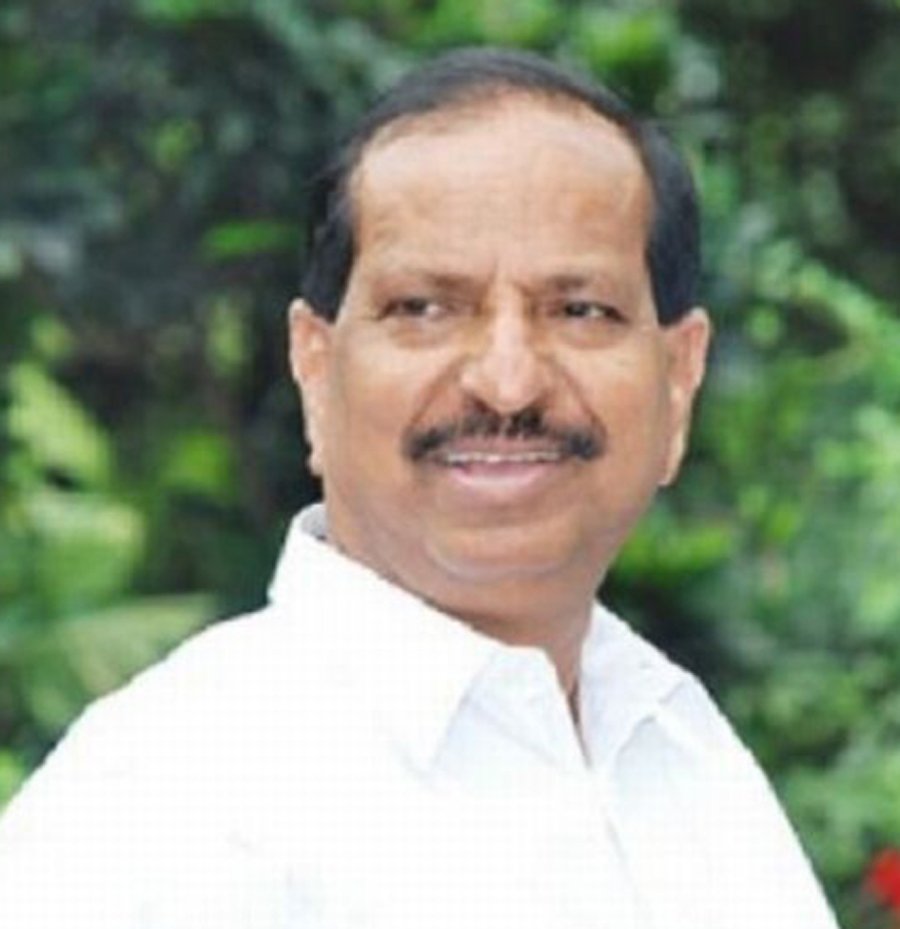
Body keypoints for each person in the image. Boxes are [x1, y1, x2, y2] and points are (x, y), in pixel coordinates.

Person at [0, 47, 837, 928]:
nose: (507, 383)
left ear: (677, 380)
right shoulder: (164, 806)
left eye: (580, 309)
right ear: (315, 370)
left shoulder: (676, 743)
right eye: (425, 309)